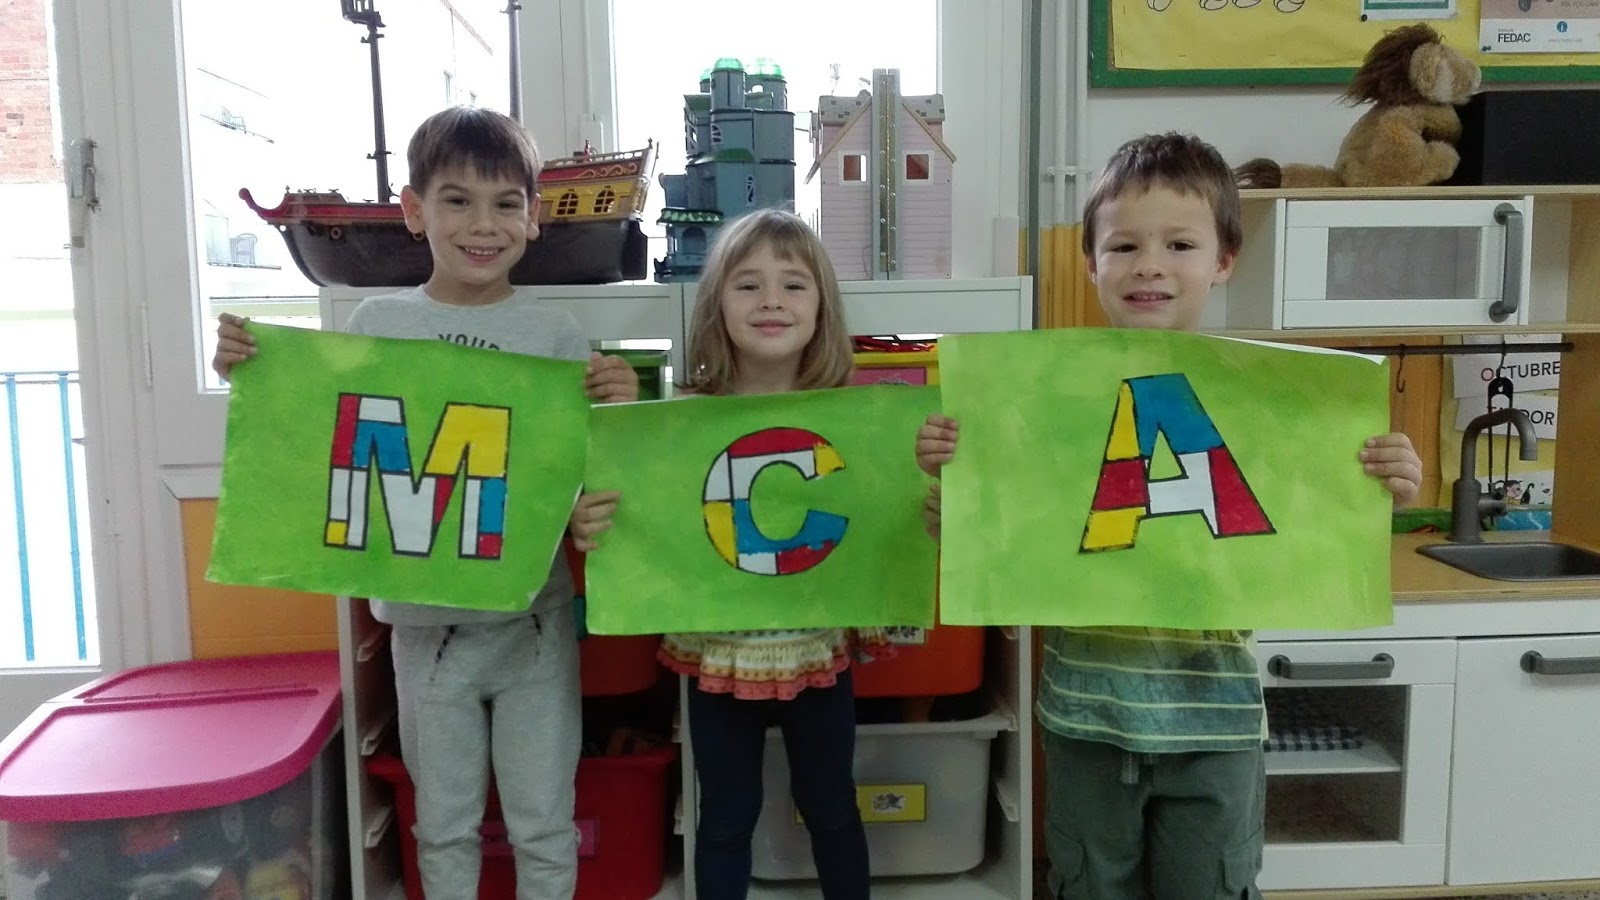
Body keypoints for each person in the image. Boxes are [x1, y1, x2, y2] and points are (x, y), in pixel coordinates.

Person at [914, 132, 1424, 900]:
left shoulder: (1266, 402)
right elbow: (1003, 536)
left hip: (1215, 725)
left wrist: (1383, 483)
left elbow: (1315, 518)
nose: (1149, 264)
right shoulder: (1043, 402)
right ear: (1091, 263)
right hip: (1086, 719)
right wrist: (958, 500)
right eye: (1124, 245)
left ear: (1224, 260)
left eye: (1179, 244)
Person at [212, 105, 638, 900]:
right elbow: (320, 434)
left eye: (505, 203)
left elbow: (586, 471)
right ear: (414, 210)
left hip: (535, 624)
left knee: (545, 821)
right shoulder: (379, 323)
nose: (483, 224)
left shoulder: (557, 336)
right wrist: (253, 372)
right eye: (457, 201)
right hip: (423, 630)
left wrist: (614, 413)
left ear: (533, 217)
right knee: (441, 823)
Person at [568, 208, 888, 900]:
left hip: (817, 645)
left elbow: (890, 511)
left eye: (793, 285)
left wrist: (930, 471)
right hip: (717, 654)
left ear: (821, 309)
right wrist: (591, 513)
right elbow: (633, 502)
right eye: (748, 285)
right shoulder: (681, 415)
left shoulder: (856, 421)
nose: (771, 300)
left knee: (832, 804)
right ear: (717, 305)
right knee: (724, 814)